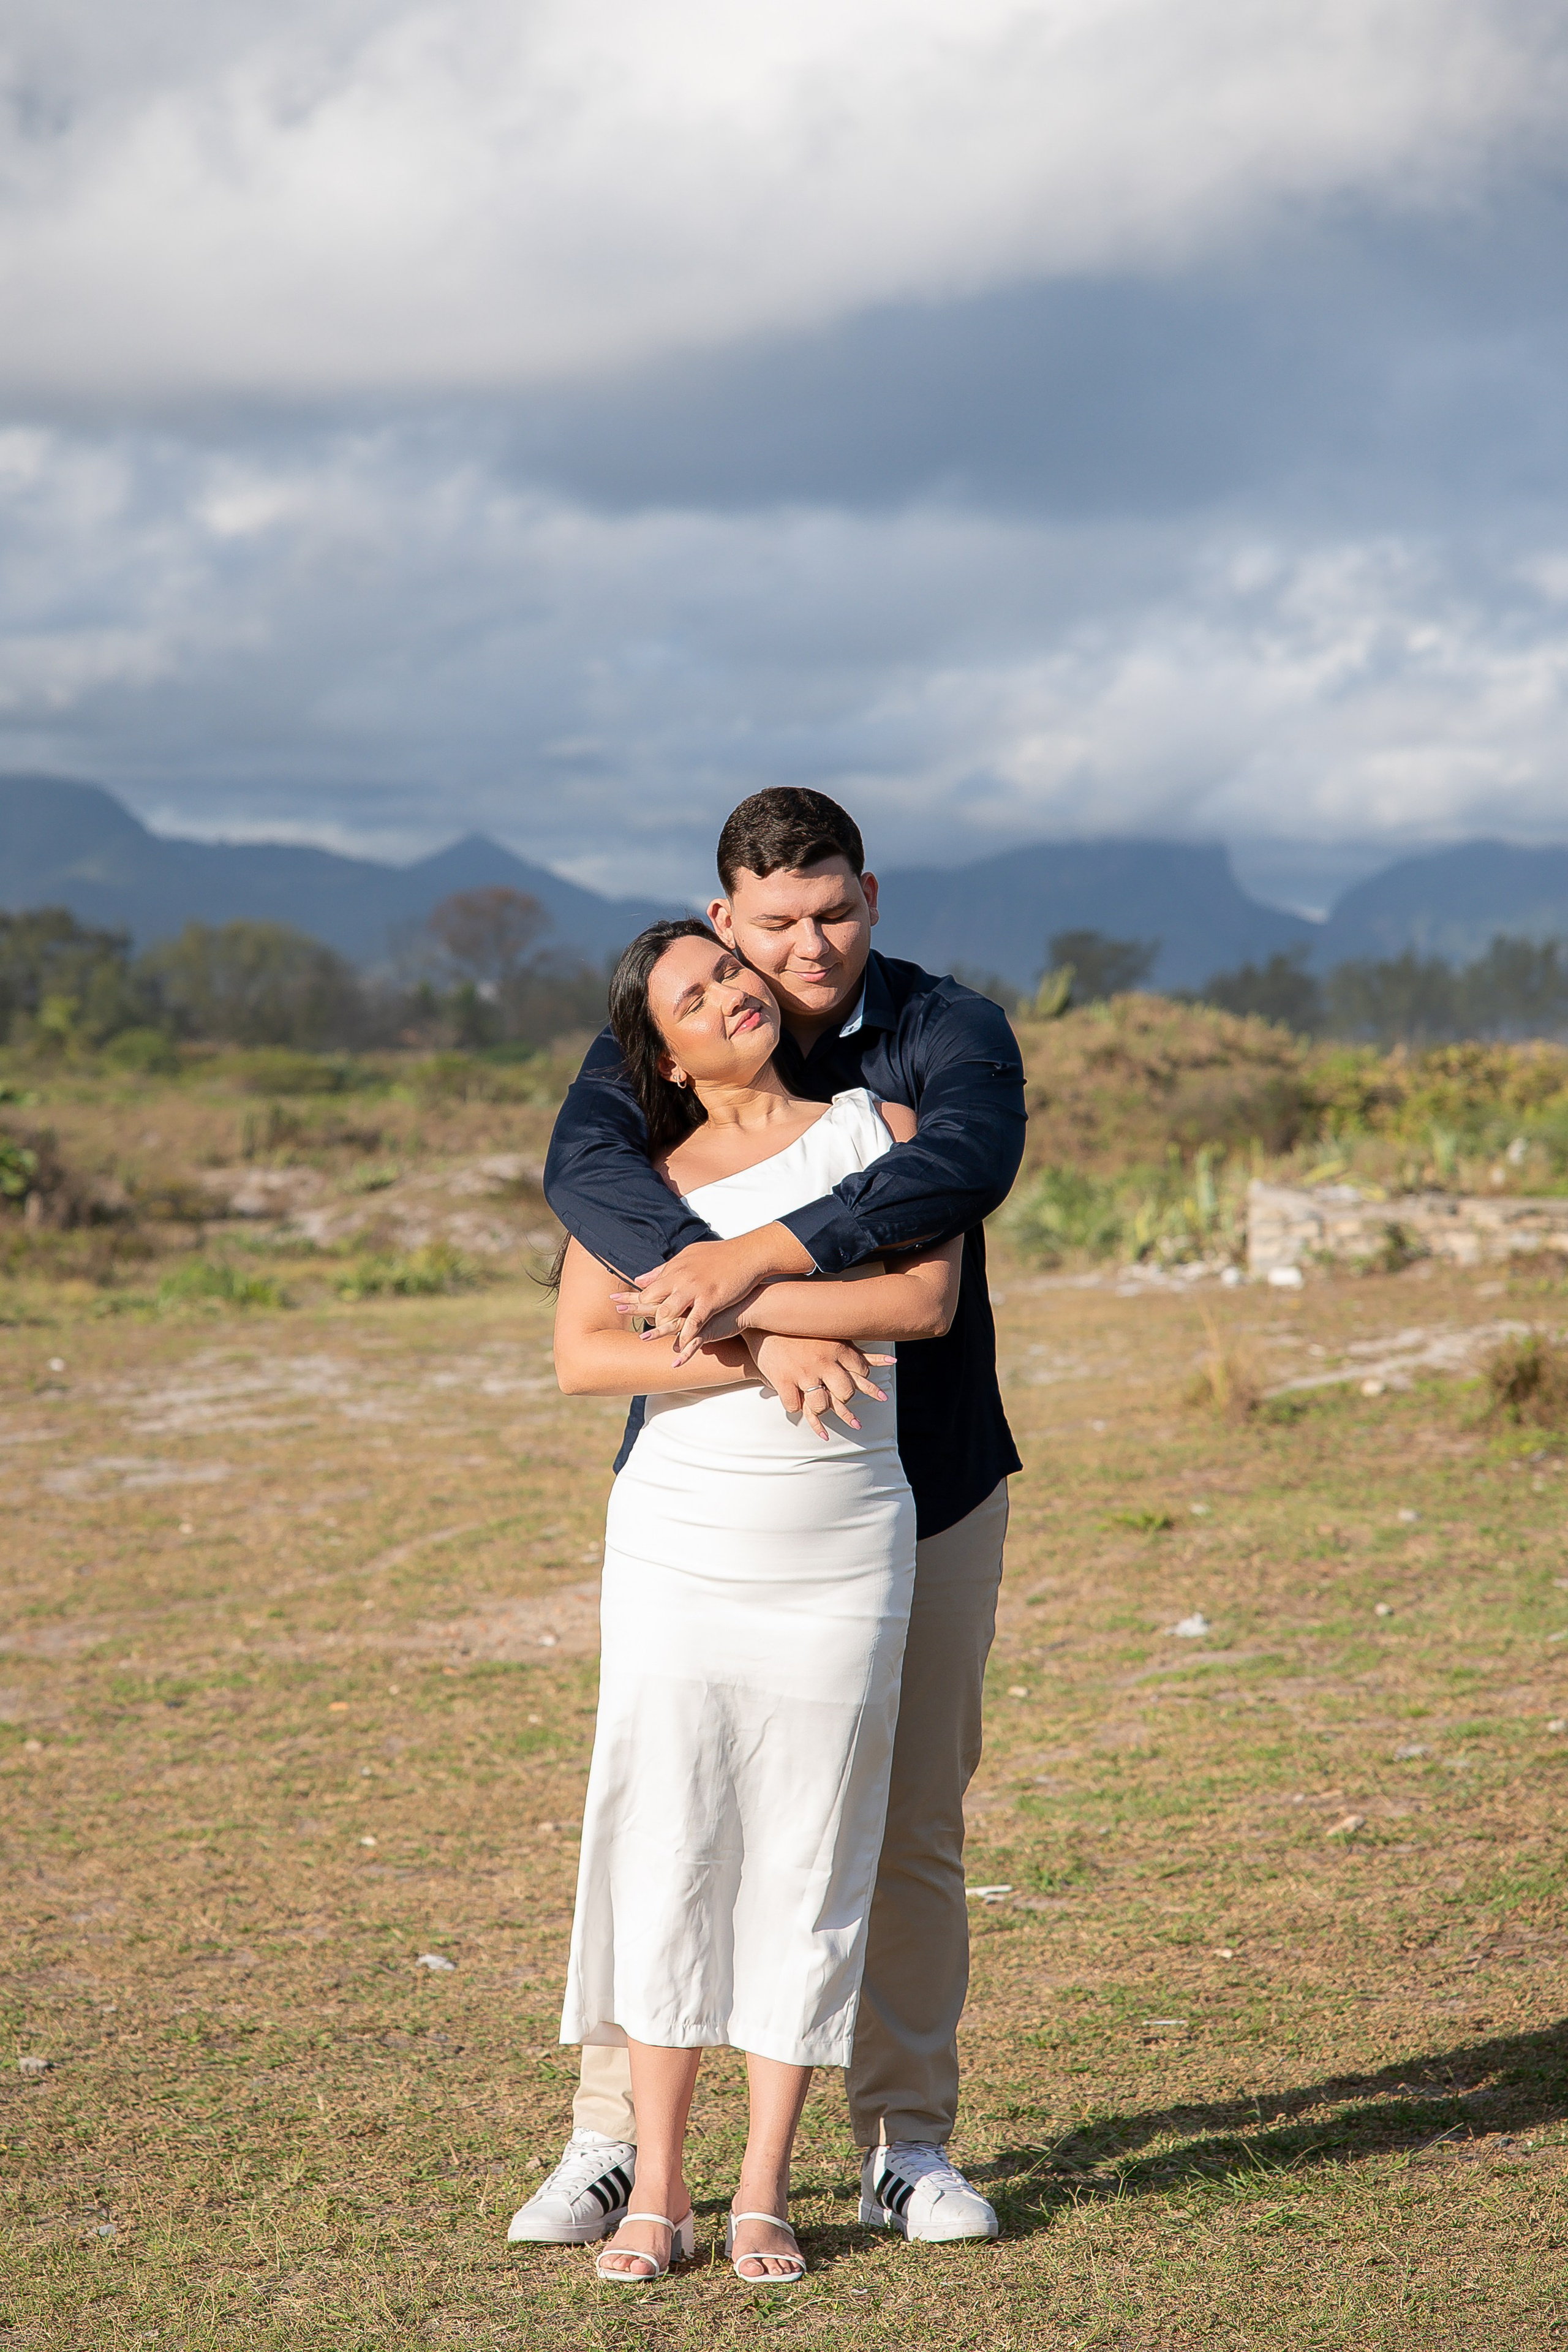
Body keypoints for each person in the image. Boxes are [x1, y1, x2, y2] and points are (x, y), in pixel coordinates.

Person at [510, 786, 1025, 2253]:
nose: (799, 952)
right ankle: (615, 2145)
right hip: (707, 1498)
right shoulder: (644, 1068)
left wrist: (750, 1270)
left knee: (905, 1814)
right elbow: (584, 1185)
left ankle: (901, 2143)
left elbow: (951, 1186)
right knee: (663, 1812)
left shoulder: (941, 1036)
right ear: (722, 914)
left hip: (920, 1490)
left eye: (832, 914)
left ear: (872, 893)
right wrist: (751, 1333)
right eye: (767, 926)